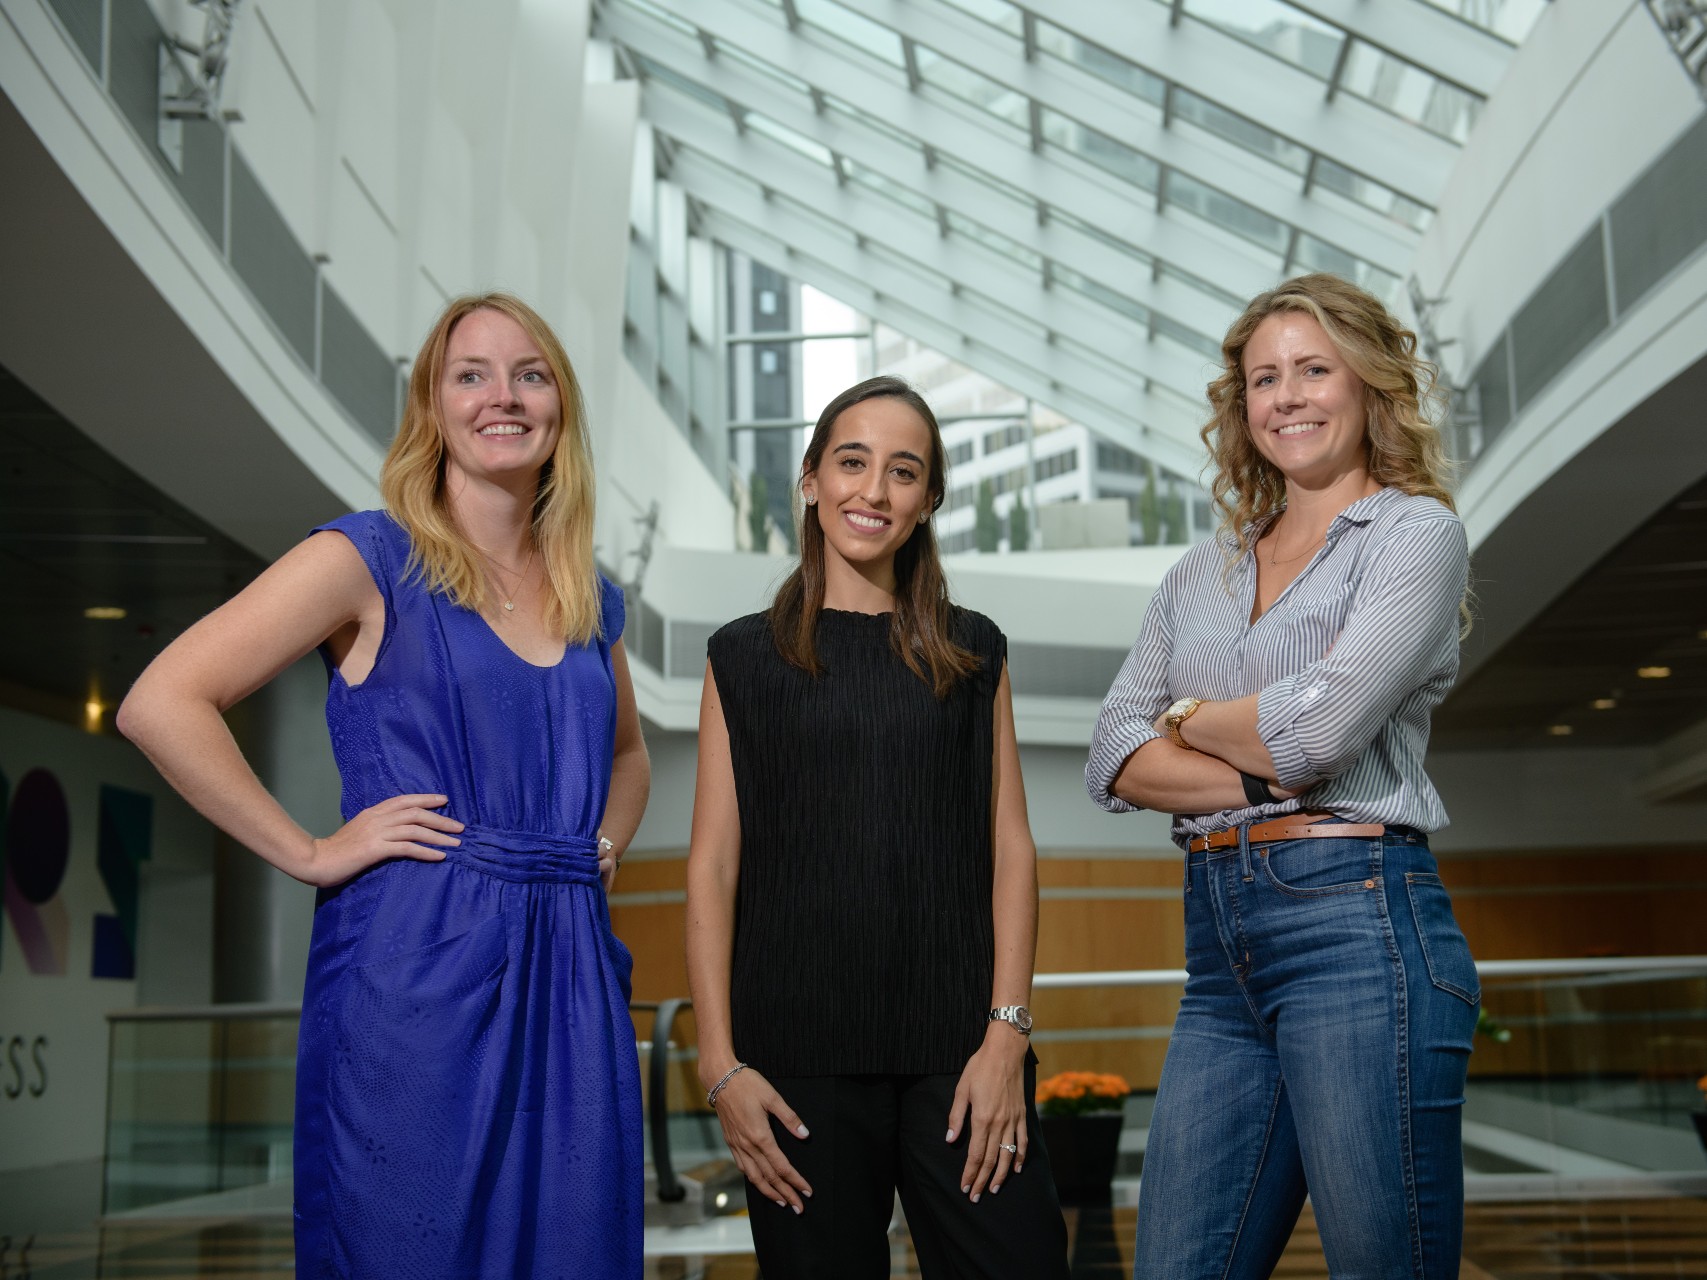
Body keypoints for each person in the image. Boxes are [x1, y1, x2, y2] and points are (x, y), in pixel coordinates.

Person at [118, 293, 649, 1279]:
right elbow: (163, 700)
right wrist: (312, 851)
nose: (505, 395)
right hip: (418, 958)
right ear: (432, 407)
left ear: (561, 408)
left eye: (531, 373)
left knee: (572, 1244)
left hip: (568, 966)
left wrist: (600, 842)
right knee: (409, 1242)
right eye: (472, 373)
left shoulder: (589, 592)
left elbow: (627, 757)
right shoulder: (367, 557)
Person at [1085, 273, 1479, 1280]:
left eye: (1314, 369)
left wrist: (1188, 719)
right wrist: (1261, 768)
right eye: (1266, 378)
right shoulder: (1199, 573)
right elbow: (1111, 753)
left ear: (1369, 384)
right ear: (1242, 406)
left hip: (1360, 927)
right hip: (1218, 951)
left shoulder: (1412, 535)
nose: (1288, 396)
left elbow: (1324, 730)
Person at [685, 376, 1070, 1279]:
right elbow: (712, 866)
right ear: (812, 478)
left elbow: (1009, 847)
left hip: (961, 1054)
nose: (873, 491)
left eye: (904, 472)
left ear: (928, 500)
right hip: (793, 1068)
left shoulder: (973, 648)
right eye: (851, 462)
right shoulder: (741, 656)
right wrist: (720, 1066)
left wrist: (1006, 1034)